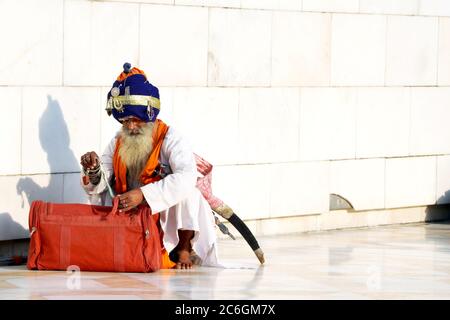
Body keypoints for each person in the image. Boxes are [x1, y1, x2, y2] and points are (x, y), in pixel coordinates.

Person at [79, 63, 219, 269]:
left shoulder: (171, 138)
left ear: (148, 116)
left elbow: (187, 177)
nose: (130, 126)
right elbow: (104, 181)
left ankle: (183, 247)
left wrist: (143, 195)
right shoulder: (118, 141)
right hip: (129, 212)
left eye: (135, 120)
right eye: (125, 120)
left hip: (160, 214)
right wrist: (94, 171)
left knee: (190, 190)